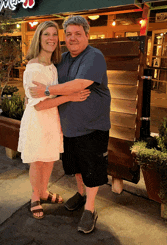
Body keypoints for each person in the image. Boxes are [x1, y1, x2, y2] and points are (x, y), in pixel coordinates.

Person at [29, 15, 111, 233]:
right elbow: (42, 69)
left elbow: (79, 84)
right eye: (69, 34)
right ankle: (81, 194)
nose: (72, 38)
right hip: (68, 128)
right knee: (77, 168)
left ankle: (90, 209)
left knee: (91, 170)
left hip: (92, 127)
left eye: (78, 33)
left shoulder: (94, 56)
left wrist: (47, 91)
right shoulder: (63, 58)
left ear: (87, 34)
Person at [18, 20, 90, 220]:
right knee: (37, 160)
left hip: (52, 118)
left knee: (49, 158)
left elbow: (49, 95)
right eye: (46, 35)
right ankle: (35, 196)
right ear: (38, 38)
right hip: (38, 119)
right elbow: (39, 104)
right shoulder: (34, 67)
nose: (51, 38)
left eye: (53, 35)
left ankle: (43, 191)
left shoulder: (51, 65)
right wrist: (70, 97)